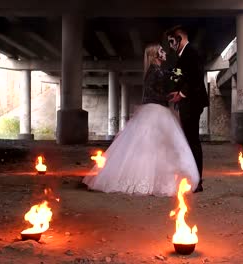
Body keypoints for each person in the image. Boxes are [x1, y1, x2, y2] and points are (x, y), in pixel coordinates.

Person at [82, 43, 199, 197]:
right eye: (161, 51)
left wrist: (174, 88)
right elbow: (150, 93)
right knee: (151, 146)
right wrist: (168, 97)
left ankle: (161, 179)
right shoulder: (153, 71)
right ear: (156, 55)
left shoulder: (158, 70)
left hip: (159, 109)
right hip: (155, 110)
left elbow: (168, 81)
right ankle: (149, 181)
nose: (164, 52)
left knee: (159, 146)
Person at [166, 25, 209, 193]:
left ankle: (197, 182)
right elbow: (181, 75)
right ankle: (193, 178)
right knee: (190, 141)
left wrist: (181, 94)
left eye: (171, 41)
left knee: (192, 141)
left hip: (192, 103)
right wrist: (173, 84)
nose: (170, 45)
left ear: (179, 38)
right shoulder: (184, 55)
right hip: (188, 102)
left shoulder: (192, 52)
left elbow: (196, 77)